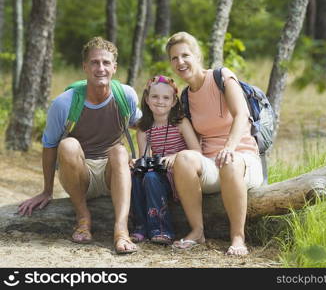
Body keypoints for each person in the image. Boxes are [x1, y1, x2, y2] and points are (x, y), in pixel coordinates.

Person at [17, 37, 141, 254]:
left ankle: (121, 231)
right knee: (68, 145)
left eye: (105, 63)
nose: (100, 68)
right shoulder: (64, 103)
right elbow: (49, 147)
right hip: (79, 173)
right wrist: (47, 191)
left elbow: (142, 125)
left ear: (114, 67)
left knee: (120, 150)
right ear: (85, 67)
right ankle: (83, 218)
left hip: (113, 173)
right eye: (94, 62)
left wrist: (146, 155)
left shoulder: (126, 95)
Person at [165, 32, 263, 256]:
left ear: (197, 55)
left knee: (230, 161)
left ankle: (238, 236)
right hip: (212, 165)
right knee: (185, 158)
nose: (180, 62)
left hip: (243, 159)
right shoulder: (187, 97)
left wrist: (229, 147)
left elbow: (242, 115)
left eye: (185, 55)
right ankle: (197, 231)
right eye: (174, 58)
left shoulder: (221, 77)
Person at [130, 75, 201, 245]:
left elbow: (197, 151)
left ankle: (162, 230)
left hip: (180, 175)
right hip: (158, 175)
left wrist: (175, 156)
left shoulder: (181, 123)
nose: (160, 101)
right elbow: (145, 158)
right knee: (137, 175)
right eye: (154, 96)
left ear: (174, 101)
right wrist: (137, 162)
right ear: (147, 99)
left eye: (166, 97)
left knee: (152, 178)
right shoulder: (143, 129)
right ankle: (140, 227)